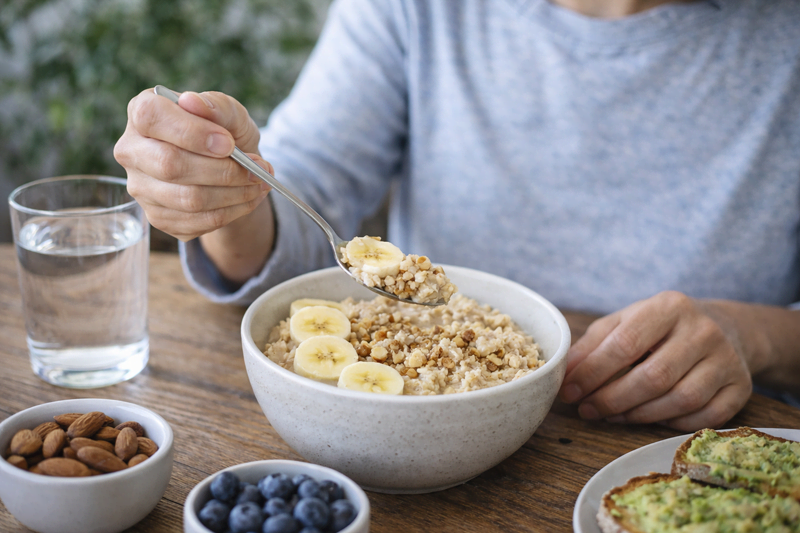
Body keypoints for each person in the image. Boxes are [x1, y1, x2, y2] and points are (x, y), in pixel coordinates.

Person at [114, 0, 800, 431]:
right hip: (426, 438)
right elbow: (297, 214)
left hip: (713, 443)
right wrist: (222, 192)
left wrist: (759, 337)